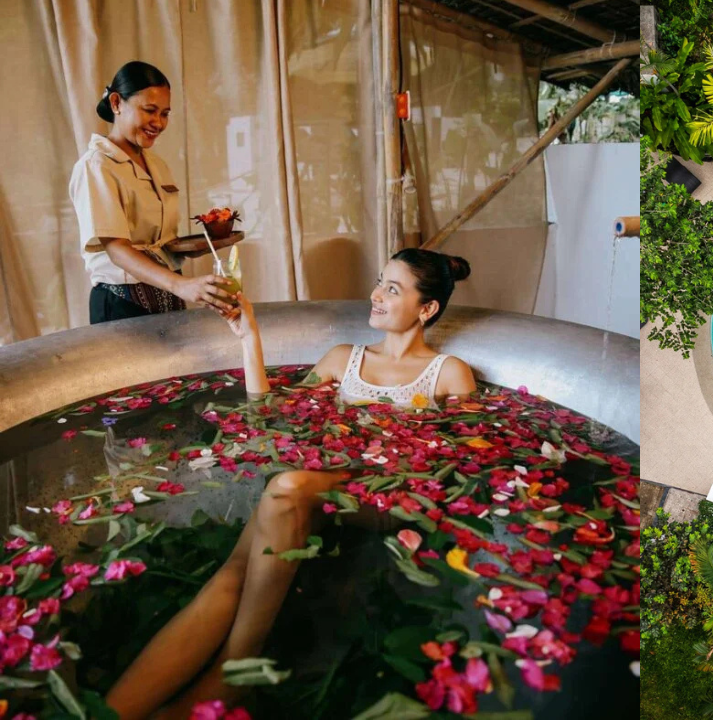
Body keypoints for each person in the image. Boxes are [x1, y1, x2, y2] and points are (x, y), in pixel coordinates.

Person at [105, 249, 477, 719]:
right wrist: (249, 338)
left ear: (427, 309)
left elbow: (464, 464)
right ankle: (111, 712)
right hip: (312, 487)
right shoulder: (344, 359)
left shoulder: (449, 372)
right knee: (233, 574)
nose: (375, 295)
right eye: (380, 282)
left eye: (392, 289)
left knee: (286, 487)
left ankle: (234, 672)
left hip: (382, 498)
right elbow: (272, 418)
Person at [69, 60, 234, 324]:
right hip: (121, 303)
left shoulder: (156, 165)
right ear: (116, 103)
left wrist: (196, 246)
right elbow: (117, 249)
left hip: (167, 295)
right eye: (149, 110)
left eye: (165, 113)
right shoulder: (96, 166)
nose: (158, 123)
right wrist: (181, 285)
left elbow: (157, 242)